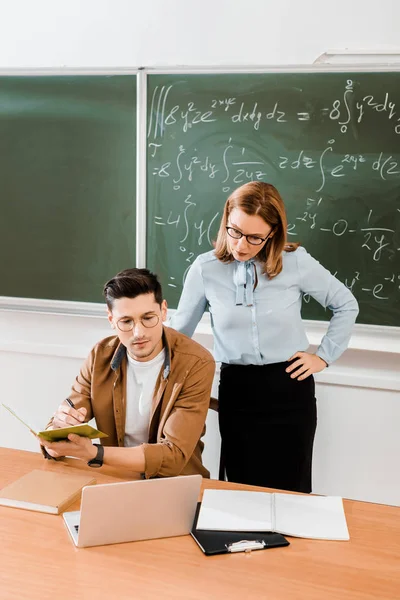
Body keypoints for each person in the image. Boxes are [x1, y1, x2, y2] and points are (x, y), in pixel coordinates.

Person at [171, 181, 359, 493]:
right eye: (235, 231)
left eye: (255, 237)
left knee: (293, 492)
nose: (241, 245)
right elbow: (179, 336)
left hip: (290, 388)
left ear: (273, 233)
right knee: (244, 491)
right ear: (227, 219)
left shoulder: (296, 262)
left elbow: (345, 304)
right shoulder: (205, 270)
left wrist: (323, 356)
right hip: (238, 390)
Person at [39, 268, 215, 478]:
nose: (139, 332)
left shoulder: (196, 362)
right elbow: (70, 412)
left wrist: (95, 453)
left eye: (148, 318)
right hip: (118, 477)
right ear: (111, 319)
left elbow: (173, 455)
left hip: (176, 482)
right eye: (126, 321)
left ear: (164, 311)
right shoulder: (100, 356)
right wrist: (56, 433)